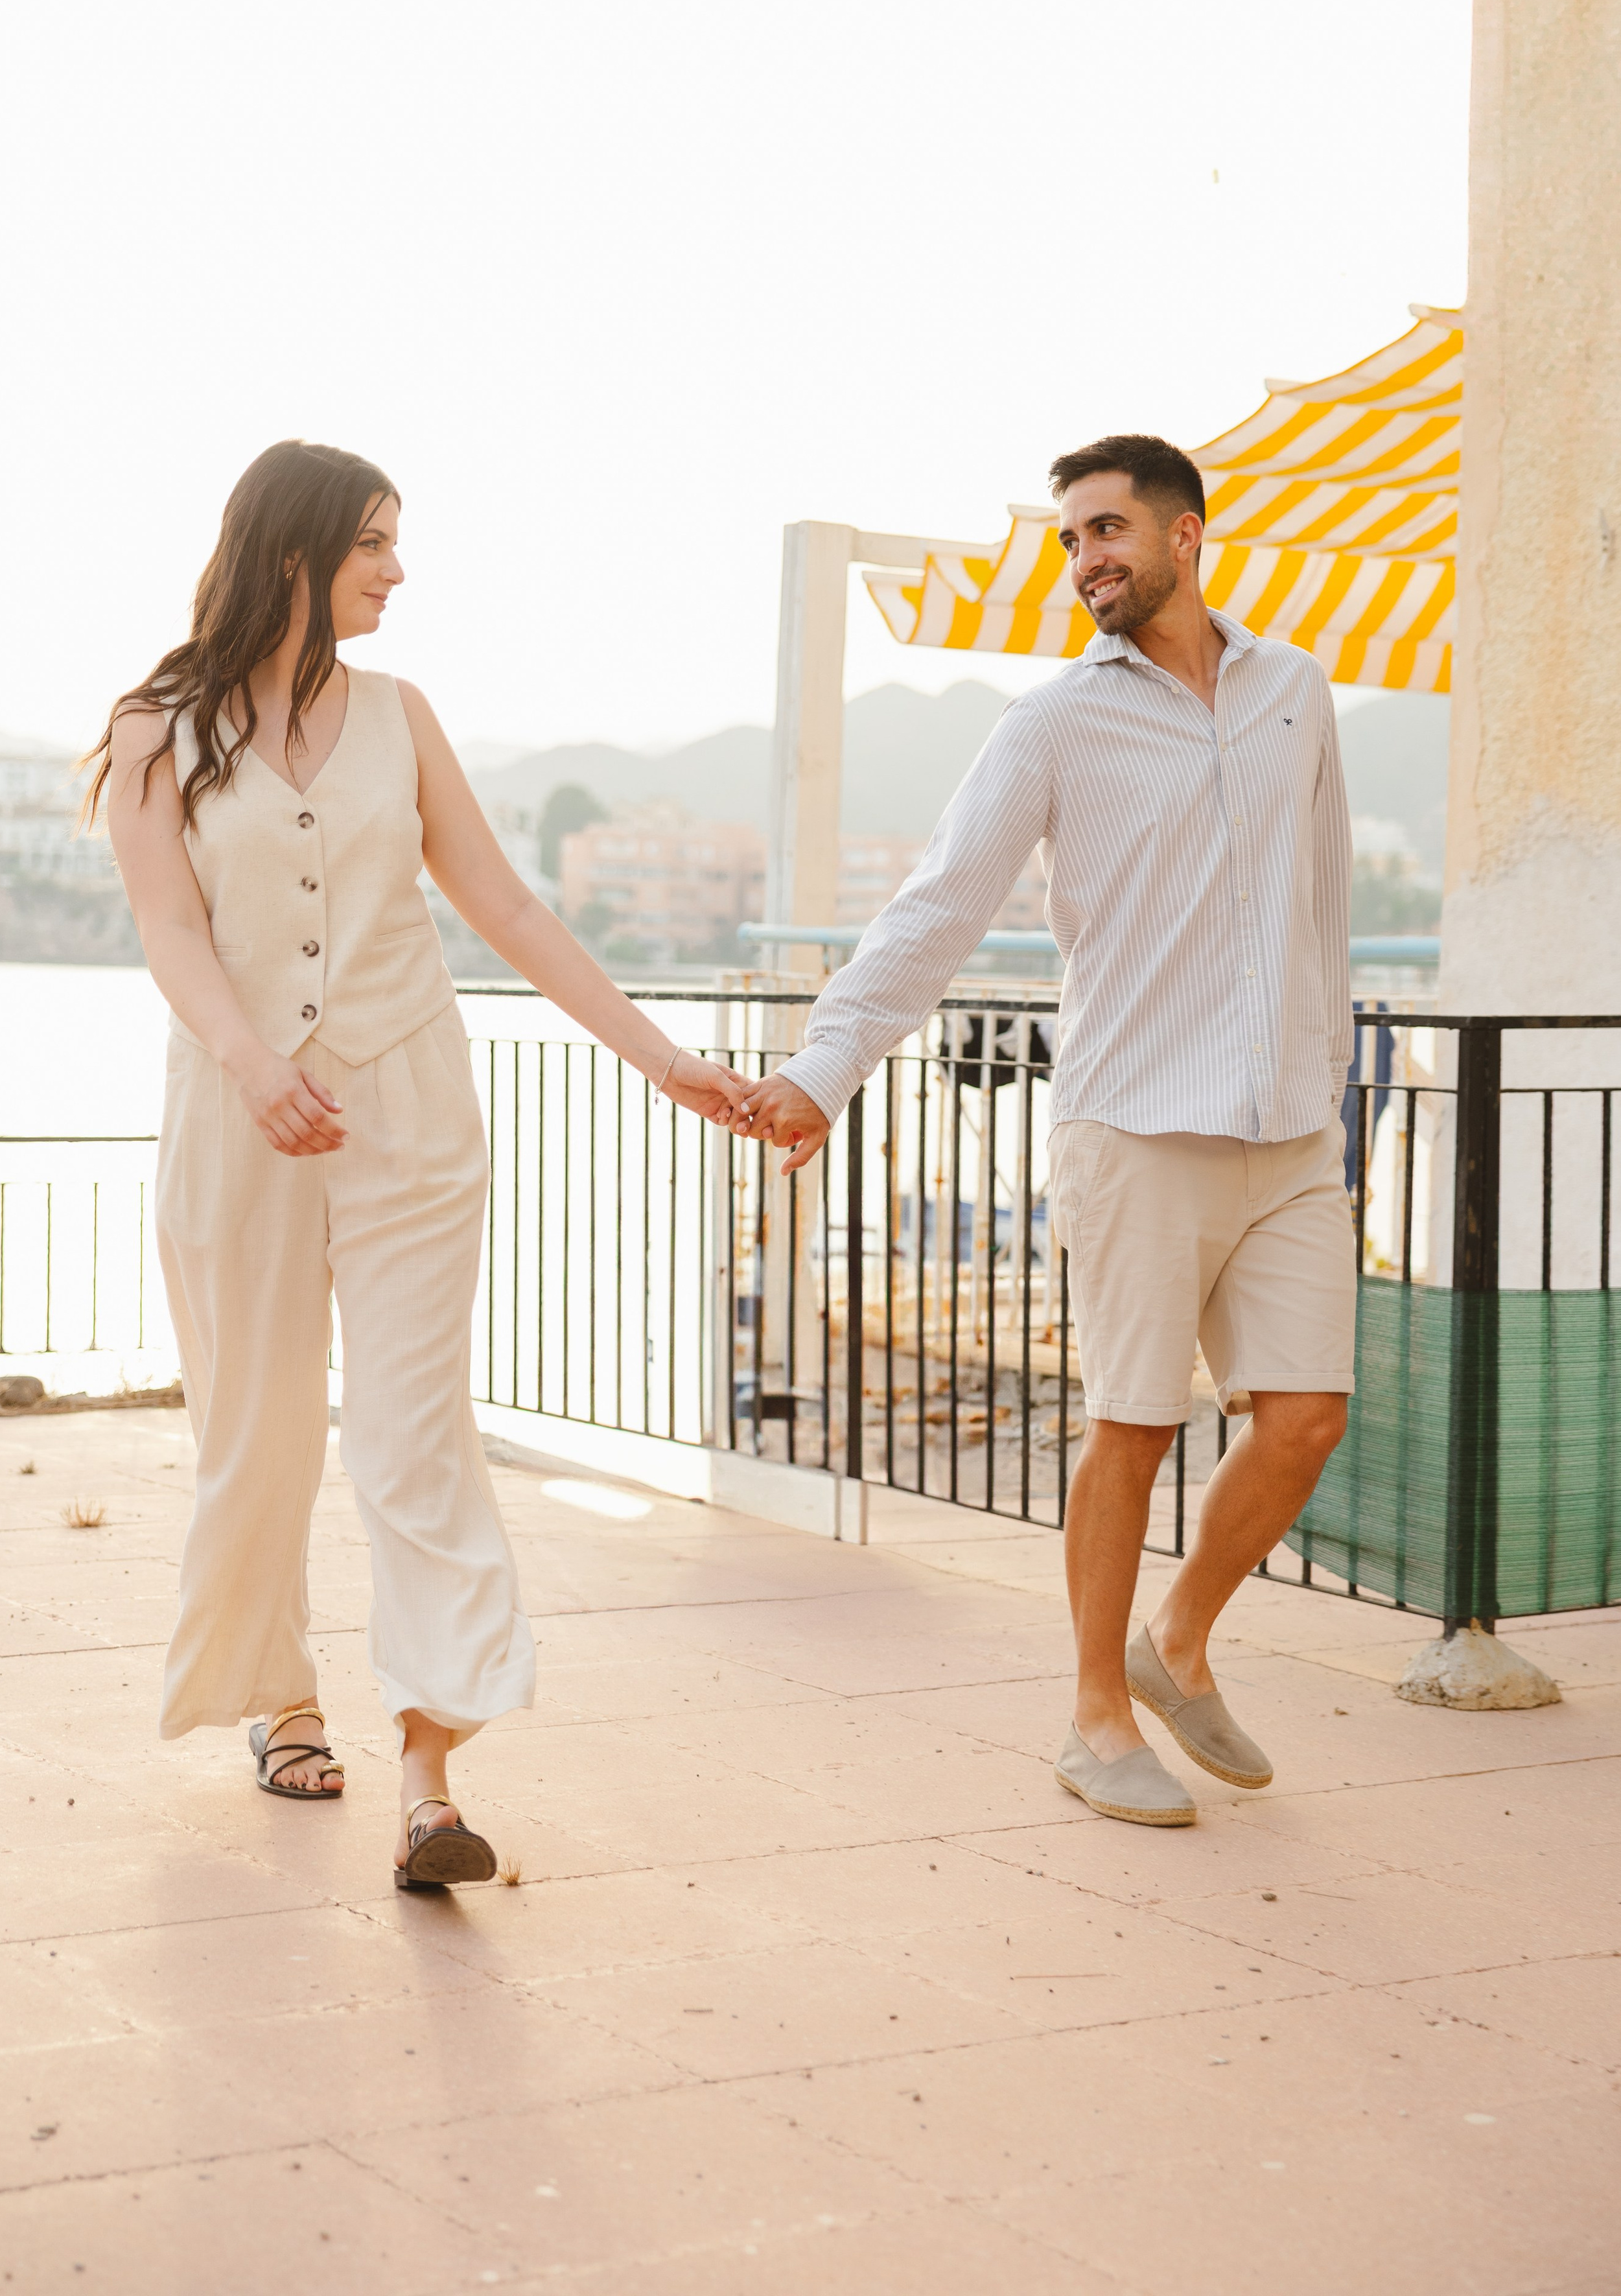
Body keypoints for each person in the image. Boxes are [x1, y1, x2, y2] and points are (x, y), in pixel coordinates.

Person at [91, 440, 748, 1887]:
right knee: (254, 1432)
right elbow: (172, 934)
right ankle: (281, 1699)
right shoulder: (158, 728)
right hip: (234, 1112)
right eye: (376, 543)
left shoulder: (402, 715)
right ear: (292, 554)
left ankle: (428, 1777)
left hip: (409, 1109)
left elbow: (502, 905)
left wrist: (664, 1058)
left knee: (410, 1432)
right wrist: (257, 1069)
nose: (398, 569)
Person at [739, 433, 1355, 1829]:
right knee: (1130, 1427)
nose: (1085, 560)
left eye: (1106, 530)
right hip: (1133, 1123)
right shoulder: (1050, 726)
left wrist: (1329, 1082)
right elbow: (936, 909)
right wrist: (823, 1069)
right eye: (1070, 540)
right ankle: (1093, 1714)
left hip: (1288, 1132)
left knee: (1304, 1419)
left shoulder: (1295, 695)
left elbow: (1317, 896)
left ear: (1186, 535)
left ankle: (1176, 1640)